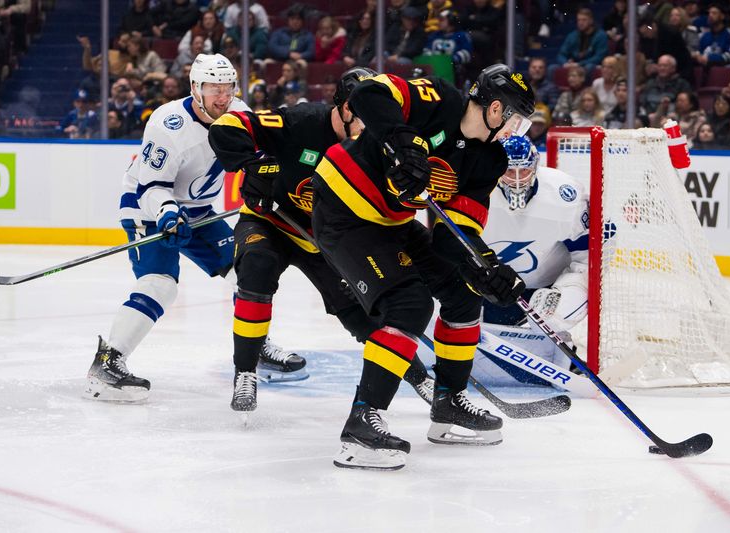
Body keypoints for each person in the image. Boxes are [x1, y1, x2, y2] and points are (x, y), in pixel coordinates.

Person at [311, 64, 534, 470]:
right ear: (497, 108)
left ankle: (448, 404)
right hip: (342, 208)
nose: (515, 131)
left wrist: (486, 268)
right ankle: (361, 423)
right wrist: (403, 140)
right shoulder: (437, 99)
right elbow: (365, 91)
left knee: (464, 293)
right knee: (409, 305)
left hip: (393, 222)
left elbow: (455, 234)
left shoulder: (488, 161)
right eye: (516, 119)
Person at [208, 67, 436, 413]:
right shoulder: (300, 121)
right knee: (257, 266)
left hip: (326, 239)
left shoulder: (374, 146)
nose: (370, 127)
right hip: (270, 221)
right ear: (345, 109)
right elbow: (228, 126)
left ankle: (419, 377)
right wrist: (254, 163)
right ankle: (245, 372)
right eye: (363, 116)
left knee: (362, 315)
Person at [83, 54, 295, 403]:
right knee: (160, 285)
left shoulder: (239, 112)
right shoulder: (168, 124)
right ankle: (108, 362)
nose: (223, 97)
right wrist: (167, 214)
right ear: (195, 89)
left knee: (249, 273)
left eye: (228, 88)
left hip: (198, 210)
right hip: (148, 208)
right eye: (214, 89)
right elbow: (150, 187)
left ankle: (254, 346)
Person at [475, 135, 589, 387]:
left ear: (535, 166)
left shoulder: (564, 195)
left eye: (524, 170)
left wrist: (567, 290)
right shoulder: (477, 189)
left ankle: (565, 357)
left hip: (544, 287)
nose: (516, 179)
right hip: (493, 286)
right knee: (491, 354)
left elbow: (588, 255)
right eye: (508, 171)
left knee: (551, 319)